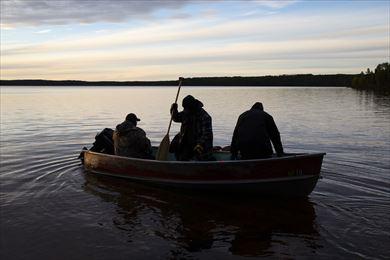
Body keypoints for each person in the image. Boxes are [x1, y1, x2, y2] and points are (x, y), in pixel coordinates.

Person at [170, 95, 213, 161]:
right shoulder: (186, 113)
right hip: (187, 144)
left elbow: (207, 134)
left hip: (199, 146)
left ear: (193, 107)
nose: (186, 111)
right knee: (175, 146)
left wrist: (200, 144)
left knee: (196, 154)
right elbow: (176, 118)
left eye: (187, 109)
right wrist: (174, 110)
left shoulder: (205, 117)